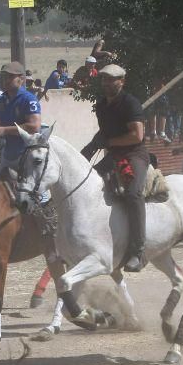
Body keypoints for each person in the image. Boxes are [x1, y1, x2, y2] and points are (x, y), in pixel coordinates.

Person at [79, 64, 150, 272]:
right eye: (104, 80)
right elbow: (104, 133)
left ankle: (138, 252)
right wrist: (88, 150)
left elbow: (137, 136)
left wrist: (109, 142)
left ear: (122, 81)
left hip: (134, 155)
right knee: (86, 184)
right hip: (113, 155)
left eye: (111, 79)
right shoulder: (102, 106)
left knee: (133, 193)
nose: (107, 83)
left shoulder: (131, 104)